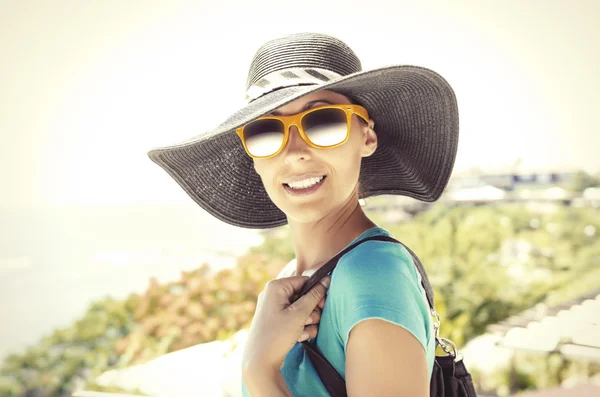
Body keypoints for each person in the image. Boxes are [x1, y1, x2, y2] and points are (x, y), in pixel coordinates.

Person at [148, 32, 459, 396]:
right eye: (265, 131)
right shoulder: (289, 284)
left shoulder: (373, 275)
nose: (294, 152)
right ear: (254, 158)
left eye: (323, 122)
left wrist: (260, 368)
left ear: (367, 136)